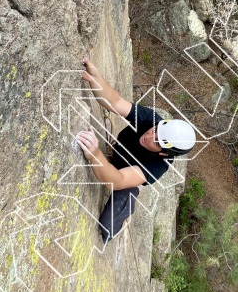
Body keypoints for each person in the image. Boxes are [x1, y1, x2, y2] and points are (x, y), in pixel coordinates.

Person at [76, 56, 196, 243]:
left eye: (156, 142)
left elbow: (117, 180)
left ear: (164, 153)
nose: (149, 136)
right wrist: (95, 78)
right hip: (116, 155)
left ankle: (125, 209)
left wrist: (95, 154)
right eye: (155, 131)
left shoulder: (159, 165)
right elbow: (115, 102)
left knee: (113, 214)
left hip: (122, 175)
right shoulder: (152, 120)